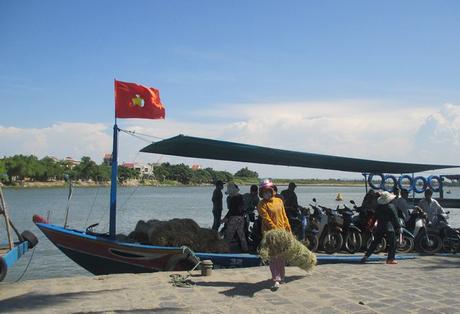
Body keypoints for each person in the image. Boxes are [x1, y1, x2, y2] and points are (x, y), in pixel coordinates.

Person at [257, 179, 291, 290]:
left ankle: (282, 277)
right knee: (273, 257)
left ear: (272, 191)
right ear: (261, 193)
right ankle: (275, 279)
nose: (266, 194)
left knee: (281, 256)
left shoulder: (279, 201)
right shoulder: (261, 204)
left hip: (282, 233)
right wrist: (276, 230)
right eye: (264, 192)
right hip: (270, 234)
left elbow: (284, 216)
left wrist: (288, 229)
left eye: (268, 191)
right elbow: (266, 219)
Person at [361, 191, 401, 264]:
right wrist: (398, 227)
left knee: (375, 242)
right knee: (393, 243)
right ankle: (390, 259)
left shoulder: (378, 207)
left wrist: (371, 226)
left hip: (380, 227)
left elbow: (374, 218)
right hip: (389, 227)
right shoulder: (391, 206)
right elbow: (395, 218)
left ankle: (366, 256)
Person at [222, 182, 248, 252]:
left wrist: (225, 218)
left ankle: (224, 249)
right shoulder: (241, 197)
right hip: (241, 218)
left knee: (228, 234)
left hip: (234, 218)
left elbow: (231, 210)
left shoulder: (233, 198)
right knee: (241, 234)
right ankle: (245, 249)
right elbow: (243, 208)